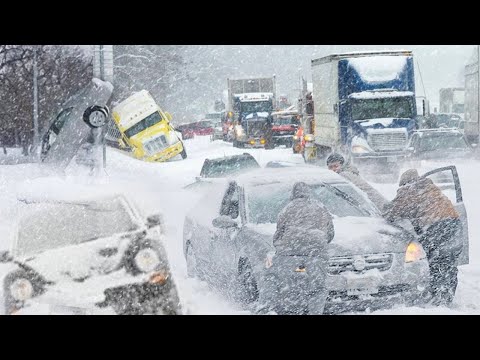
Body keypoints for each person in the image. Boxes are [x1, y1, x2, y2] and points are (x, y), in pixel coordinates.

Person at [383, 169, 461, 306]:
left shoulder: (409, 191)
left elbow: (393, 211)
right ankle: (447, 294)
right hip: (453, 223)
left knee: (432, 260)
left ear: (405, 183)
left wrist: (384, 209)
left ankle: (436, 296)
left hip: (436, 226)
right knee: (447, 259)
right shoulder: (429, 187)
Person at [269, 182, 333, 315]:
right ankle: (315, 311)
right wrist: (319, 244)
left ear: (293, 194)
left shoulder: (287, 209)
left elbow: (279, 233)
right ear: (308, 193)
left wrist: (280, 247)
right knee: (318, 287)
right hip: (316, 254)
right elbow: (330, 233)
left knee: (289, 287)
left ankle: (293, 310)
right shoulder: (320, 207)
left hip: (290, 254)